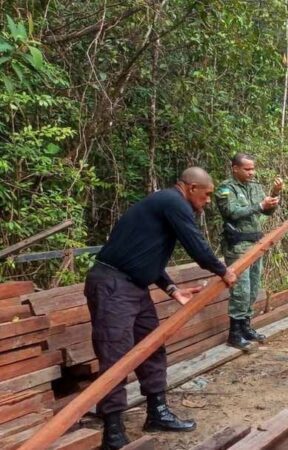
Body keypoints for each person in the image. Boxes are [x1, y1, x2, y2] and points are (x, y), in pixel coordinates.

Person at [86, 167, 238, 450]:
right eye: (206, 195)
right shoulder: (173, 202)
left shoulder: (165, 204)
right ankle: (113, 432)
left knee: (152, 345)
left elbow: (144, 255)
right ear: (191, 188)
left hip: (133, 285)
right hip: (112, 285)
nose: (207, 202)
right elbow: (196, 245)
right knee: (115, 355)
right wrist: (222, 270)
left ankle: (157, 413)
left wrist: (171, 288)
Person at [215, 153, 282, 350]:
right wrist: (260, 205)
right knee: (241, 290)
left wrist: (274, 195)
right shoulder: (226, 188)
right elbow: (231, 212)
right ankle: (234, 334)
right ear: (235, 168)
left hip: (255, 244)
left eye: (253, 169)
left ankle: (246, 328)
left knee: (252, 289)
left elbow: (266, 211)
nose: (252, 173)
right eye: (247, 169)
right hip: (237, 246)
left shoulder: (255, 187)